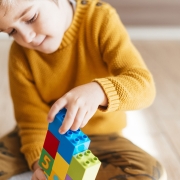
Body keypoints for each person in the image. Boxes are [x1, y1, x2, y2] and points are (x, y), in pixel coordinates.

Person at [0, 0, 167, 179]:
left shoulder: (100, 20)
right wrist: (41, 164)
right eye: (12, 32)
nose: (26, 38)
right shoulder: (20, 55)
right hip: (44, 136)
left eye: (31, 18)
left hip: (102, 137)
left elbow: (143, 85)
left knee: (148, 171)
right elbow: (32, 122)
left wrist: (99, 92)